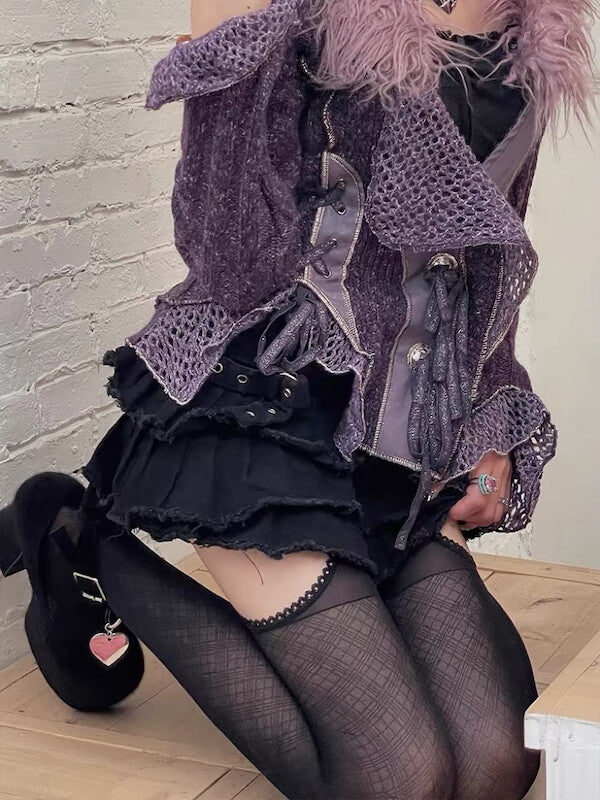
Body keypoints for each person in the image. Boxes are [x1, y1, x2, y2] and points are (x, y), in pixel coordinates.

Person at [0, 0, 596, 797]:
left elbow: (484, 272)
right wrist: (240, 68)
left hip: (397, 439)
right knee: (400, 780)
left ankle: (359, 584)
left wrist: (492, 423)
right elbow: (231, 266)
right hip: (267, 411)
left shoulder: (539, 21)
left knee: (499, 763)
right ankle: (72, 534)